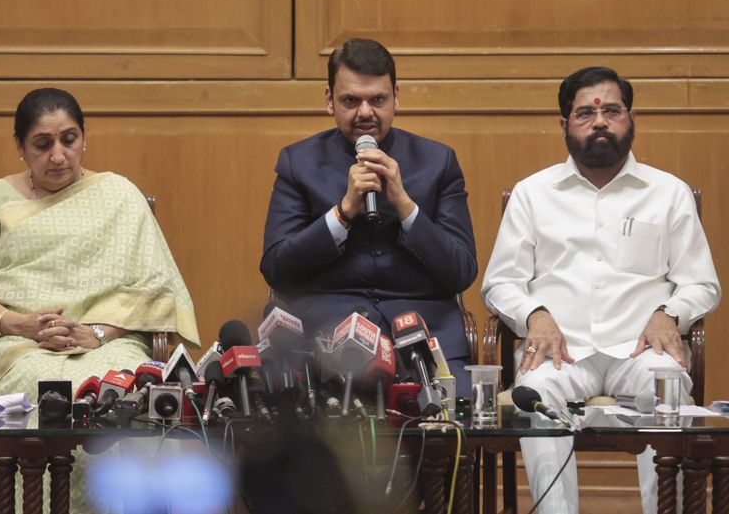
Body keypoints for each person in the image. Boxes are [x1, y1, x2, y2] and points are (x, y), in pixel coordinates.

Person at [481, 66, 720, 513]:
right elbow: (500, 282)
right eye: (585, 113)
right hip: (561, 352)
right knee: (535, 393)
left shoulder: (668, 193)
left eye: (612, 111)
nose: (600, 122)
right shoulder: (533, 194)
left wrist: (669, 313)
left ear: (631, 119)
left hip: (640, 351)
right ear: (564, 124)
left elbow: (702, 283)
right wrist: (534, 315)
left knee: (665, 385)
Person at [0, 88, 200, 513]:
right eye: (42, 144)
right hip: (15, 344)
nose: (58, 156)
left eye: (69, 140)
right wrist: (20, 324)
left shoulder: (119, 194)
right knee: (43, 385)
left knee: (120, 391)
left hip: (108, 341)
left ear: (84, 138)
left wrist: (97, 332)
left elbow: (154, 293)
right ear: (20, 147)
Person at [261, 38, 477, 395]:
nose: (365, 112)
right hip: (322, 342)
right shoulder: (298, 163)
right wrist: (342, 212)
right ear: (329, 100)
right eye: (351, 101)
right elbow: (276, 269)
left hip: (424, 336)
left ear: (396, 97)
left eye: (377, 100)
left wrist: (405, 206)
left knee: (458, 417)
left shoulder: (438, 162)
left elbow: (461, 271)